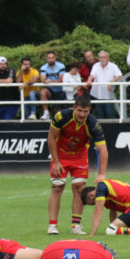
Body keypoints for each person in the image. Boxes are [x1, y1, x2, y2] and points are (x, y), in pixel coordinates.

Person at [47, 94, 108, 235]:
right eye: (79, 110)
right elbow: (51, 138)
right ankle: (52, 225)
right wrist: (55, 162)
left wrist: (101, 174)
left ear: (89, 111)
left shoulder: (93, 124)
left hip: (79, 157)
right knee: (57, 188)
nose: (82, 114)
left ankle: (75, 226)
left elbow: (103, 149)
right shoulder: (61, 117)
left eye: (85, 111)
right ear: (74, 108)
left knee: (79, 188)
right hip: (60, 155)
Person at [86, 51, 122, 119]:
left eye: (104, 57)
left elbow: (119, 75)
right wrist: (89, 80)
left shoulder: (113, 66)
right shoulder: (96, 65)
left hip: (108, 94)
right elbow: (92, 75)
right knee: (100, 113)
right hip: (97, 93)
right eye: (100, 57)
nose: (102, 59)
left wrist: (112, 82)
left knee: (109, 112)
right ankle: (101, 129)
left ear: (108, 58)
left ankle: (112, 128)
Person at [39, 51, 67, 119]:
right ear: (46, 59)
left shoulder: (61, 66)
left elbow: (61, 79)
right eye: (49, 58)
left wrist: (51, 82)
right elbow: (42, 78)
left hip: (60, 91)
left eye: (52, 58)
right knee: (43, 92)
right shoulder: (43, 67)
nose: (51, 59)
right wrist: (45, 80)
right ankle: (46, 113)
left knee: (58, 115)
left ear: (55, 58)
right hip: (50, 90)